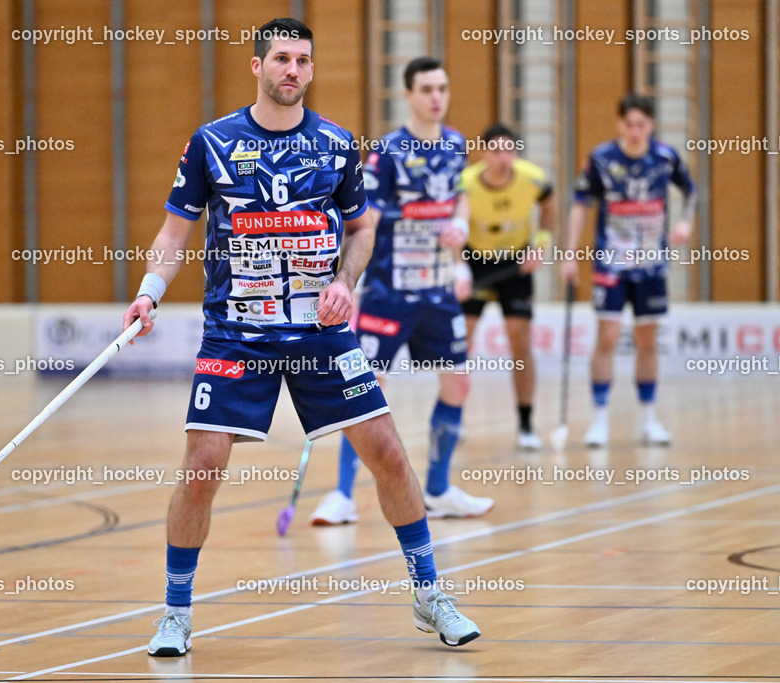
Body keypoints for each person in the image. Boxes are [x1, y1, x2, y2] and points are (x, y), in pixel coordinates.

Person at [122, 19, 480, 657]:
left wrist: (345, 279)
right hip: (237, 336)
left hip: (321, 334)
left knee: (390, 454)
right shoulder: (211, 144)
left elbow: (363, 230)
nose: (293, 70)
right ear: (256, 65)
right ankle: (176, 612)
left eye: (303, 61)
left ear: (312, 71)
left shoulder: (338, 147)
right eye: (281, 59)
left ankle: (430, 594)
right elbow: (174, 235)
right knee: (202, 466)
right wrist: (150, 290)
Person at [310, 56, 493, 527]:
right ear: (408, 95)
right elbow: (363, 215)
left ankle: (437, 488)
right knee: (365, 389)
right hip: (390, 291)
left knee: (458, 381)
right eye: (427, 89)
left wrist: (457, 231)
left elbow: (460, 199)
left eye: (443, 88)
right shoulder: (387, 151)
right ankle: (343, 495)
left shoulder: (455, 145)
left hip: (436, 292)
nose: (437, 97)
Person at [561, 93, 696, 447]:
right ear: (620, 124)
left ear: (651, 125)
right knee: (606, 337)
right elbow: (580, 206)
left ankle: (649, 418)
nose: (636, 131)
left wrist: (685, 223)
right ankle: (600, 418)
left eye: (643, 125)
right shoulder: (602, 159)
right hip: (612, 264)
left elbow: (691, 191)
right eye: (630, 124)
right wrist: (569, 254)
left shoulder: (665, 157)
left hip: (651, 265)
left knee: (647, 341)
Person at [459, 123, 556, 451]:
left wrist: (541, 243)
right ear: (484, 154)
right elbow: (454, 225)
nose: (504, 158)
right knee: (463, 339)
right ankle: (455, 414)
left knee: (520, 340)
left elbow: (549, 202)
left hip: (516, 264)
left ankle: (526, 422)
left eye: (510, 151)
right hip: (476, 262)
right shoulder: (467, 183)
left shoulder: (532, 178)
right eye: (496, 151)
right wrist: (457, 267)